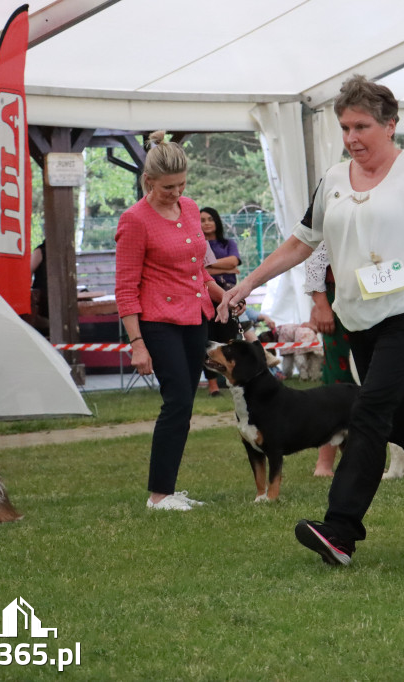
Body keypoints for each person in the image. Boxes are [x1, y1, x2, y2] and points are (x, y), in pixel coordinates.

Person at [216, 75, 404, 565]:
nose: (352, 138)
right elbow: (301, 242)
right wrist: (248, 283)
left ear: (390, 124)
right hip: (358, 319)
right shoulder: (334, 180)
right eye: (344, 127)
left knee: (368, 414)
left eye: (361, 126)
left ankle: (340, 531)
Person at [115, 130, 234, 511]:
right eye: (168, 187)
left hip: (195, 315)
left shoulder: (189, 208)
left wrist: (226, 297)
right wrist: (137, 344)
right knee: (178, 400)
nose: (177, 193)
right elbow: (125, 287)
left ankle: (168, 490)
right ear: (148, 182)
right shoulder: (134, 220)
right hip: (157, 321)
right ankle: (159, 495)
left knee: (184, 404)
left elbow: (199, 270)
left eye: (182, 185)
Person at [304, 242, 353, 477]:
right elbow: (315, 262)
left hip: (377, 300)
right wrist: (322, 305)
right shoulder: (334, 210)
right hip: (338, 301)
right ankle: (324, 463)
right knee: (337, 382)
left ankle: (363, 456)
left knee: (374, 384)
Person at [201, 207, 241, 396]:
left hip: (228, 297)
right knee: (207, 342)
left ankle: (232, 380)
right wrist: (224, 267)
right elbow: (198, 271)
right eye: (202, 219)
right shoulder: (196, 244)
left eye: (210, 219)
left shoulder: (228, 243)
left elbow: (234, 262)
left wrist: (208, 265)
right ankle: (213, 386)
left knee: (229, 341)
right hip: (205, 300)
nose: (207, 223)